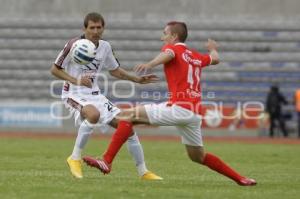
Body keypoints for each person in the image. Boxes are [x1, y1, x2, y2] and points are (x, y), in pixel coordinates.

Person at [83, 21, 257, 186]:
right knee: (198, 156)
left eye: (164, 34)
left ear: (173, 36)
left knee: (126, 116)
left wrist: (151, 63)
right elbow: (215, 59)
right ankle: (241, 179)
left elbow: (169, 54)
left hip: (179, 108)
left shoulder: (172, 48)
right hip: (194, 113)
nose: (162, 37)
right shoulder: (195, 56)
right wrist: (212, 49)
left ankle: (106, 161)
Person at [50, 12, 162, 180]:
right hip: (74, 92)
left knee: (127, 127)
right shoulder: (73, 45)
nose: (95, 31)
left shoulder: (105, 47)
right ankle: (74, 158)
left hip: (95, 94)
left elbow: (115, 70)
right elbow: (55, 70)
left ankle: (143, 172)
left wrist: (137, 79)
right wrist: (77, 81)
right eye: (91, 27)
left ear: (103, 28)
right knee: (93, 115)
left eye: (99, 27)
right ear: (85, 28)